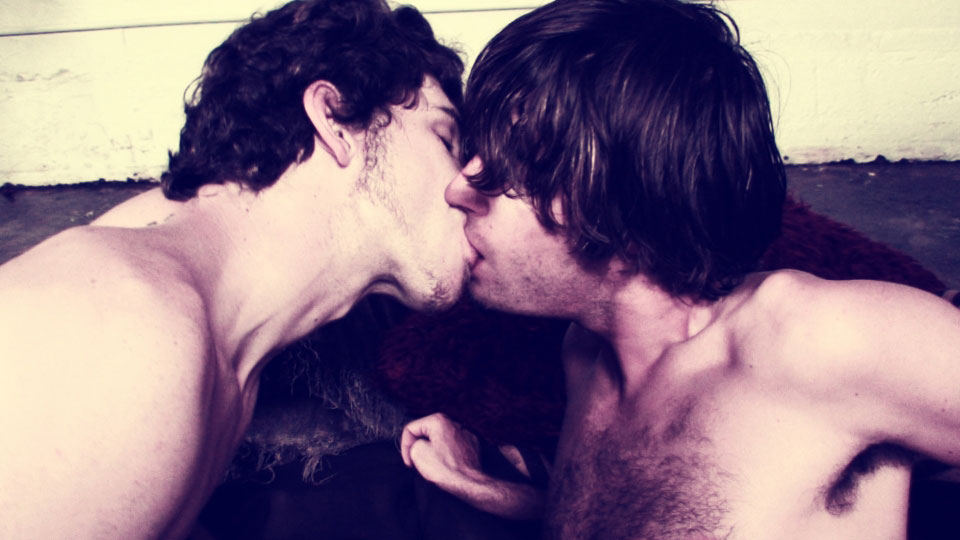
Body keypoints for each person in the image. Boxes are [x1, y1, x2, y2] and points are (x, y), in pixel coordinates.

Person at [401, 0, 960, 538]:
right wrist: (500, 491)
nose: (458, 188)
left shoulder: (815, 337)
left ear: (622, 195)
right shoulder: (585, 356)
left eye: (511, 165)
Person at [0, 1, 474, 538]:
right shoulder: (134, 335)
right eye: (445, 139)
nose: (466, 184)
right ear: (335, 120)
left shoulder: (208, 341)